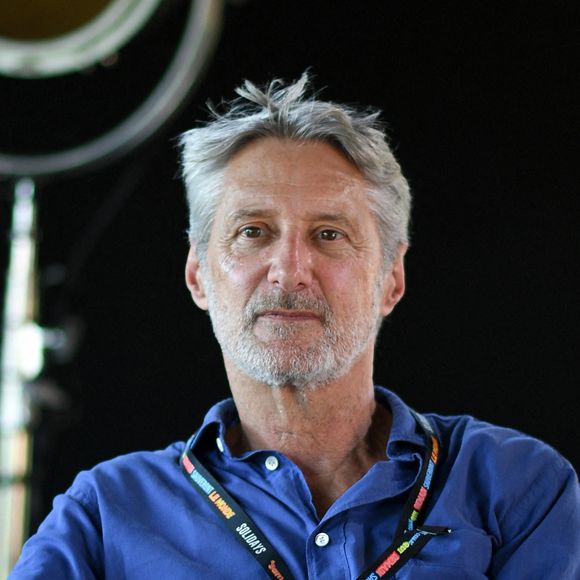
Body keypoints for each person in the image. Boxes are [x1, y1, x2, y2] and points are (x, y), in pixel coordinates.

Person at [10, 73, 580, 579]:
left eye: (329, 234)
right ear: (198, 276)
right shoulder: (106, 515)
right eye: (253, 232)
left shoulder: (518, 486)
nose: (289, 271)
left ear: (391, 280)